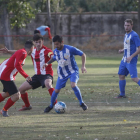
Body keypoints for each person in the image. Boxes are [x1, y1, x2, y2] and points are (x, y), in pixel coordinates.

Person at [42, 35, 88, 113]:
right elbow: (54, 58)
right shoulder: (55, 51)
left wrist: (83, 66)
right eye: (55, 44)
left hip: (72, 71)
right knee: (56, 91)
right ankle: (50, 106)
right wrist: (47, 63)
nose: (56, 46)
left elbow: (83, 54)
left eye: (57, 44)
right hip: (62, 74)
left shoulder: (70, 49)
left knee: (73, 85)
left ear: (62, 42)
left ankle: (81, 103)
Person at [18, 33, 57, 111]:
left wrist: (48, 62)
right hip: (37, 76)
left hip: (47, 74)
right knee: (21, 89)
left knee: (48, 84)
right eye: (36, 42)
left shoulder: (47, 50)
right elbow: (20, 52)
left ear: (42, 41)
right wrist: (8, 51)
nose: (38, 44)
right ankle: (27, 106)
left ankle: (56, 105)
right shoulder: (32, 50)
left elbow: (53, 57)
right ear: (34, 42)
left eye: (39, 42)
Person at [0, 40, 33, 117]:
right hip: (7, 75)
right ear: (32, 49)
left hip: (6, 74)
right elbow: (17, 66)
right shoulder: (23, 53)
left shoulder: (22, 51)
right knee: (16, 95)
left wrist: (8, 51)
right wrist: (26, 76)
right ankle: (4, 110)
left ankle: (4, 110)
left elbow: (17, 52)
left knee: (7, 93)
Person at [117, 19, 140, 98]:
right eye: (125, 25)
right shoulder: (126, 34)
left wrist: (131, 56)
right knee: (121, 75)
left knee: (134, 78)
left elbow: (139, 49)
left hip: (131, 60)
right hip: (124, 60)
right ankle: (122, 94)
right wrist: (122, 50)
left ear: (132, 26)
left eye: (128, 25)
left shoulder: (134, 35)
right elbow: (128, 46)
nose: (126, 27)